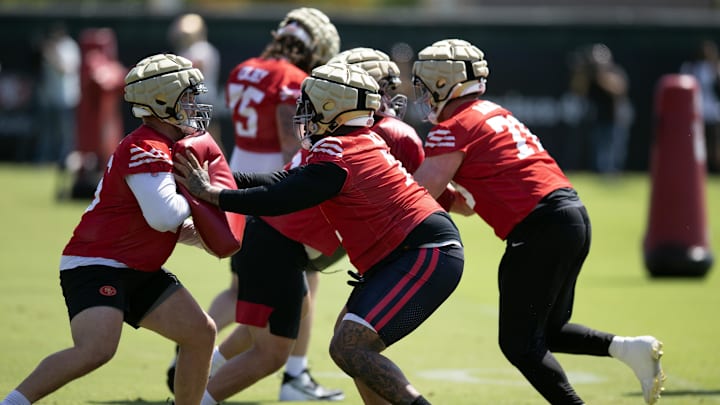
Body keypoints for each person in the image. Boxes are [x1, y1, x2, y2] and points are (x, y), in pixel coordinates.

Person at [174, 62, 465, 405]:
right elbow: (283, 182)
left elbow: (281, 198)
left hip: (422, 251)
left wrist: (216, 195)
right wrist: (222, 181)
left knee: (350, 346)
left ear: (332, 109)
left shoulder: (339, 151)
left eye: (310, 106)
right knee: (351, 347)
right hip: (404, 253)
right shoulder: (357, 139)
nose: (303, 114)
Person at [409, 39, 665, 405]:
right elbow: (464, 205)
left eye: (426, 84)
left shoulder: (456, 125)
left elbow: (420, 192)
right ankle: (630, 349)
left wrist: (386, 178)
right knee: (549, 331)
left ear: (444, 84)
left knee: (519, 346)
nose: (422, 94)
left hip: (540, 227)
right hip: (571, 217)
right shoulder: (492, 113)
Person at [0, 53, 217, 405]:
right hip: (96, 264)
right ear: (162, 101)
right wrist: (202, 192)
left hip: (138, 267)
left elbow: (165, 223)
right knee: (96, 349)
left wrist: (219, 236)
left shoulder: (170, 145)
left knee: (200, 333)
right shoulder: (145, 146)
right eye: (187, 96)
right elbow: (164, 217)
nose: (195, 104)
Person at [168, 7, 344, 401]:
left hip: (238, 171)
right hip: (270, 181)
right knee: (303, 281)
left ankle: (198, 354)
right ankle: (293, 375)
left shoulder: (245, 67)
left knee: (240, 288)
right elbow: (289, 142)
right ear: (313, 48)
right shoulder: (292, 78)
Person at [573, 43, 633, 175]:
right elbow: (578, 91)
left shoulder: (614, 71)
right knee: (599, 151)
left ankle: (612, 176)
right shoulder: (589, 75)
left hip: (616, 117)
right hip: (598, 117)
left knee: (613, 152)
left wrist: (601, 73)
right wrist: (581, 72)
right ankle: (601, 175)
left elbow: (618, 90)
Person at [168, 13, 224, 152]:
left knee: (211, 138)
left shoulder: (204, 49)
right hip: (188, 100)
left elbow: (193, 70)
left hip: (203, 99)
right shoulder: (184, 50)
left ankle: (222, 168)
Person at [34, 22, 81, 165]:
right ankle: (46, 157)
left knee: (65, 131)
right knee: (48, 131)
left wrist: (51, 56)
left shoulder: (69, 47)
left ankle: (65, 159)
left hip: (66, 97)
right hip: (49, 96)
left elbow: (65, 69)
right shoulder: (50, 47)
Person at [680, 39, 720, 173]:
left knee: (714, 146)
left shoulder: (715, 68)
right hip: (695, 114)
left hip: (712, 113)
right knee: (695, 145)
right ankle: (697, 171)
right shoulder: (689, 68)